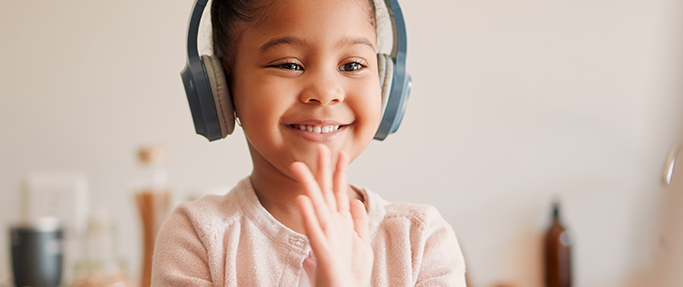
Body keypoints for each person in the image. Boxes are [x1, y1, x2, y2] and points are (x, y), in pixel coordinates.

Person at [152, 0, 466, 286]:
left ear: (387, 83)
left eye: (352, 65)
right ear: (222, 86)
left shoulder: (422, 242)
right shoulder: (197, 237)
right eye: (289, 65)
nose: (326, 91)